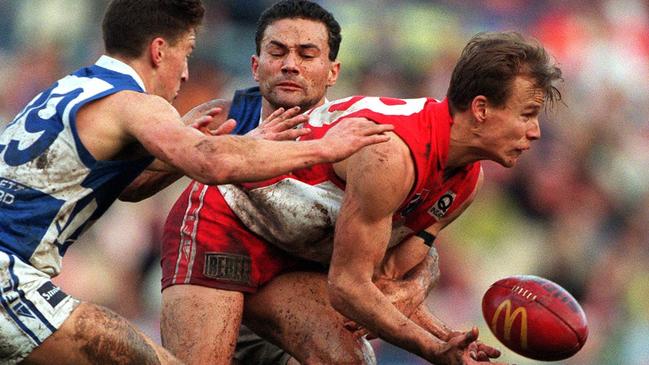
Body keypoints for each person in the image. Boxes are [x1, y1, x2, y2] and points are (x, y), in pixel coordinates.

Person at [0, 0, 394, 363]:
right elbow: (212, 162)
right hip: (8, 275)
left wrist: (180, 153)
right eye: (185, 53)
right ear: (159, 51)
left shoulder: (73, 87)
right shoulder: (134, 102)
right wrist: (326, 148)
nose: (186, 72)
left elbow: (130, 186)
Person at [160, 30, 563, 364]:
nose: (535, 132)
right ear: (480, 109)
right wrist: (433, 348)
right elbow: (348, 287)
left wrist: (450, 337)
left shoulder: (465, 184)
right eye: (527, 114)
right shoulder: (391, 152)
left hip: (293, 258)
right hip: (226, 225)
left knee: (353, 360)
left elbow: (386, 278)